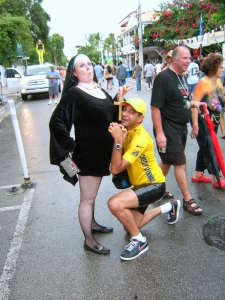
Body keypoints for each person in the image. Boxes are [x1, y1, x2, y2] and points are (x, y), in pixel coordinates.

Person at [49, 54, 129, 255]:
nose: (88, 68)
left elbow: (109, 112)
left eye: (89, 64)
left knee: (91, 197)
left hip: (102, 153)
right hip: (87, 155)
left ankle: (92, 224)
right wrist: (71, 145)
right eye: (81, 66)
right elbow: (56, 122)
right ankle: (89, 241)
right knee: (87, 199)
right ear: (74, 73)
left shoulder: (97, 88)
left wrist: (118, 99)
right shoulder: (74, 93)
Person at [108, 98, 181, 261]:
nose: (125, 114)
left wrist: (118, 141)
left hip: (154, 185)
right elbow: (112, 115)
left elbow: (115, 168)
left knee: (115, 204)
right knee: (133, 225)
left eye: (132, 112)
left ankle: (140, 241)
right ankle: (170, 206)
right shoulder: (127, 129)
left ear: (140, 118)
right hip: (141, 185)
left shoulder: (140, 139)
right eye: (125, 109)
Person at [151, 46, 203, 216]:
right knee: (180, 162)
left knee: (166, 162)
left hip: (180, 126)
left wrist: (194, 120)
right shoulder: (163, 78)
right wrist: (159, 133)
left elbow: (183, 102)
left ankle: (153, 190)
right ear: (174, 59)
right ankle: (188, 199)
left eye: (190, 58)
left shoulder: (182, 77)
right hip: (167, 127)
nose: (189, 61)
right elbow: (155, 107)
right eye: (185, 58)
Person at [191, 53, 225, 189]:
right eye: (220, 66)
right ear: (213, 68)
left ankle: (198, 174)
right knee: (209, 146)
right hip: (202, 120)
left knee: (205, 146)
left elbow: (221, 98)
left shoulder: (217, 81)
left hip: (213, 119)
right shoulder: (202, 83)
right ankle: (216, 177)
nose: (222, 69)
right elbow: (194, 104)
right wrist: (194, 125)